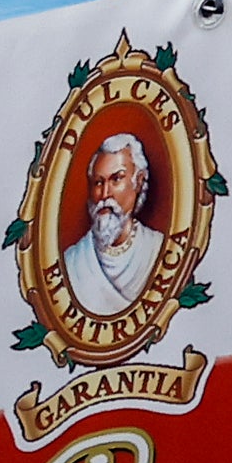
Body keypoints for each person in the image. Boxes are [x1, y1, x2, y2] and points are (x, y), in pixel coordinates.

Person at [57, 126, 164, 321]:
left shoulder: (158, 249)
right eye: (98, 182)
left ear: (138, 181)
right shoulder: (71, 262)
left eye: (116, 179)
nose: (105, 194)